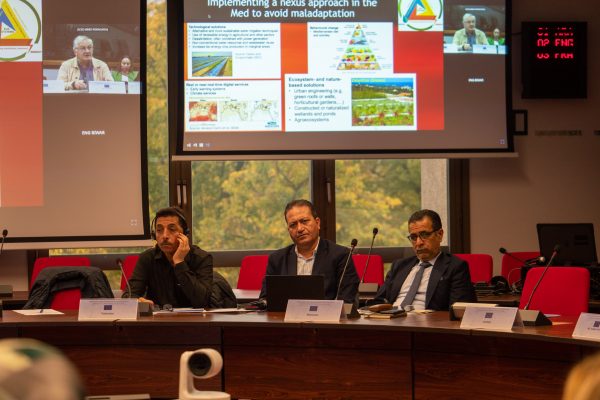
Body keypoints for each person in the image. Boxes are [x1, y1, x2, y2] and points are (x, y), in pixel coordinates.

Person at [371, 209, 476, 311]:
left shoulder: (456, 267)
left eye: (425, 235)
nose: (418, 243)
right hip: (391, 318)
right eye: (413, 237)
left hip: (425, 321)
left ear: (440, 235)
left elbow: (458, 310)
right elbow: (378, 301)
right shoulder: (399, 266)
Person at [259, 199, 359, 304]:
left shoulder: (340, 255)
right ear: (288, 230)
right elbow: (265, 300)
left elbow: (347, 300)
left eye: (304, 221)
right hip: (285, 314)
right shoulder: (277, 259)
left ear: (317, 223)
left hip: (326, 314)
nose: (299, 229)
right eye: (293, 225)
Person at [126, 206, 213, 308]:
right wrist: (137, 301)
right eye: (159, 230)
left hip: (194, 318)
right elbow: (129, 295)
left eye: (172, 229)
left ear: (185, 234)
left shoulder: (201, 258)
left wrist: (179, 262)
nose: (164, 236)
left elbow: (203, 302)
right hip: (158, 317)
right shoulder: (147, 258)